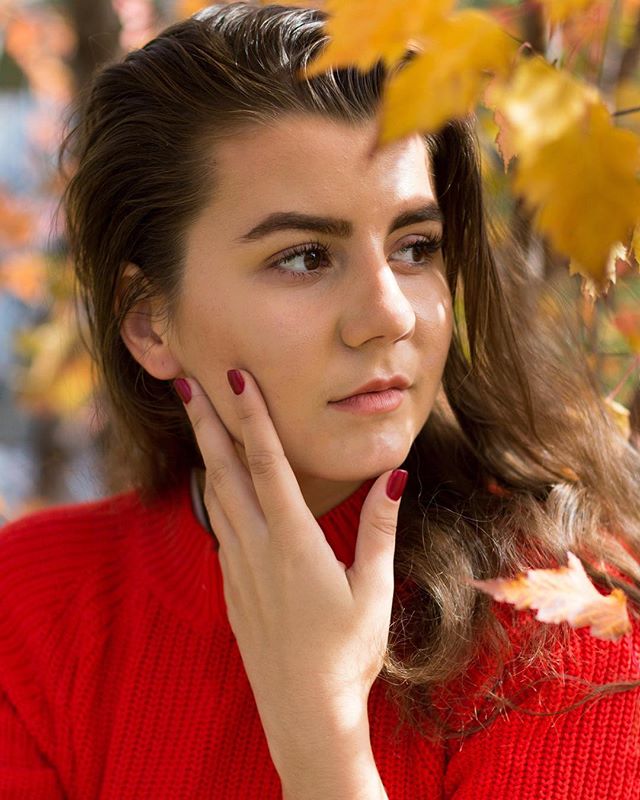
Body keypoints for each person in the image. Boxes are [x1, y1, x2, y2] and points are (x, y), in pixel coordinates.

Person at [1, 2, 639, 798]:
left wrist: (321, 734)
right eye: (303, 257)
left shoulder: (564, 621)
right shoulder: (31, 610)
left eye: (416, 247)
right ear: (148, 320)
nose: (390, 315)